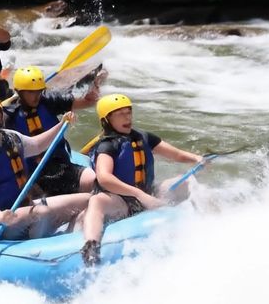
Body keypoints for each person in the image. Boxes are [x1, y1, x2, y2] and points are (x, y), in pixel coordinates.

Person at [80, 94, 205, 266]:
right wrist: (138, 194)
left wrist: (197, 159)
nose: (127, 117)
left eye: (128, 112)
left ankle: (206, 216)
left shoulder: (143, 137)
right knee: (97, 200)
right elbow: (104, 178)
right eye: (120, 114)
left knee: (186, 180)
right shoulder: (107, 145)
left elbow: (176, 154)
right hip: (121, 201)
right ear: (107, 120)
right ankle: (91, 245)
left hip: (149, 193)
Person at [0, 95, 90, 239]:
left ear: (1, 115)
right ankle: (36, 248)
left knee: (87, 200)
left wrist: (62, 124)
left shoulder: (11, 137)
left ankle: (71, 238)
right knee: (41, 213)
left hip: (24, 206)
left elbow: (37, 145)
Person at [3, 66, 99, 195]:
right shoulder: (8, 116)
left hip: (61, 166)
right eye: (31, 92)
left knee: (94, 181)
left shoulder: (49, 101)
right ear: (19, 92)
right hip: (32, 176)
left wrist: (93, 88)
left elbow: (88, 102)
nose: (36, 96)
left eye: (39, 91)